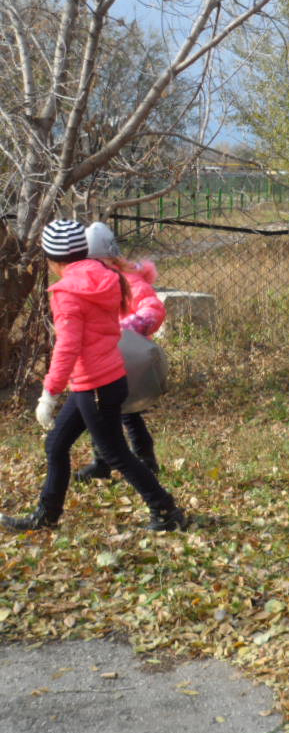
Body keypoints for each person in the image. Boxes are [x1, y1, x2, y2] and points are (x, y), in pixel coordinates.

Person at [1, 219, 187, 533]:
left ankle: (166, 510)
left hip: (95, 385)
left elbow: (67, 347)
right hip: (104, 378)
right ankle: (46, 518)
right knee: (57, 445)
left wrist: (49, 394)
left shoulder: (68, 292)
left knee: (117, 455)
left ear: (53, 259)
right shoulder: (107, 276)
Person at [75, 221, 165, 481]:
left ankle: (145, 459)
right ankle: (102, 461)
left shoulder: (130, 281)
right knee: (101, 411)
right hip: (102, 355)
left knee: (127, 412)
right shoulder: (91, 280)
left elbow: (152, 309)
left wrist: (125, 327)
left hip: (126, 356)